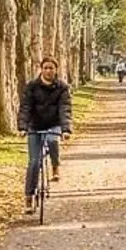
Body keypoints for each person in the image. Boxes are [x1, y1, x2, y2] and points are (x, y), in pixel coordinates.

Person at [18, 57, 73, 214]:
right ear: (41, 69)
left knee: (52, 141)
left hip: (53, 125)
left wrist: (66, 129)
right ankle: (29, 196)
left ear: (56, 70)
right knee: (34, 162)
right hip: (34, 126)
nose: (49, 71)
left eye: (51, 68)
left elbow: (65, 109)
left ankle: (55, 166)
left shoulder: (62, 87)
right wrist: (22, 127)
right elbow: (25, 107)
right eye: (46, 68)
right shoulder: (32, 87)